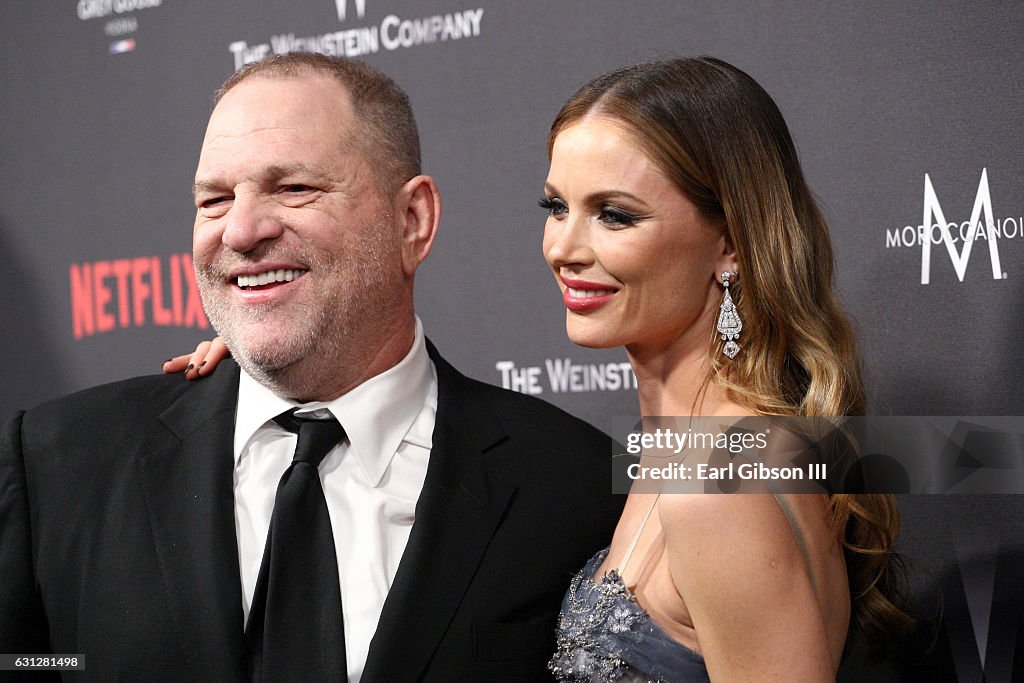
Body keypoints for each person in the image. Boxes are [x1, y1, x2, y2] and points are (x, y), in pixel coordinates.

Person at [172, 57, 913, 681]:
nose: (566, 246)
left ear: (730, 243)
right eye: (556, 206)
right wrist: (273, 351)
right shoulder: (701, 451)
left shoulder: (718, 484)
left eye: (616, 214)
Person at [0, 53, 623, 681]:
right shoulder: (57, 464)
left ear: (413, 221)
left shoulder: (576, 484)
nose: (240, 231)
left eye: (294, 188)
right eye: (214, 199)